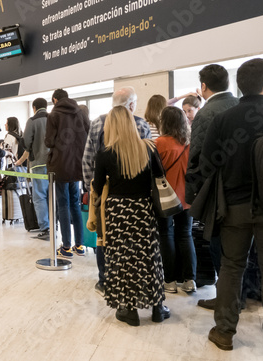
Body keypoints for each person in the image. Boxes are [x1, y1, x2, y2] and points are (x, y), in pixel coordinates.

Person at [201, 58, 263, 360]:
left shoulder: (224, 119)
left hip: (234, 207)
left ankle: (225, 332)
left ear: (239, 86)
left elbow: (207, 162)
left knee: (232, 267)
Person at [93, 105, 169, 326]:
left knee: (122, 259)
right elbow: (160, 176)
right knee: (150, 257)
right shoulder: (148, 148)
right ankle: (157, 308)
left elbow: (97, 187)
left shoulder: (105, 154)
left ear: (111, 127)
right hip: (144, 208)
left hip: (117, 212)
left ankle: (130, 310)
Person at [82, 86, 151, 296]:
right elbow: (149, 161)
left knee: (103, 237)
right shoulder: (141, 124)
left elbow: (87, 160)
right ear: (131, 105)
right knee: (134, 240)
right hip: (138, 195)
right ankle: (133, 279)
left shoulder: (97, 124)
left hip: (106, 195)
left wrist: (92, 191)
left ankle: (105, 280)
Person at [185, 64, 239, 310]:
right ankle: (241, 294)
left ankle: (225, 298)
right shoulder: (240, 105)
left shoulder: (206, 114)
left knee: (218, 244)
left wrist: (194, 196)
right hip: (248, 191)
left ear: (203, 87)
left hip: (217, 192)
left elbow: (196, 158)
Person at [155, 106, 196, 293]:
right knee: (186, 235)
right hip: (187, 197)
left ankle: (169, 281)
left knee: (166, 236)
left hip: (166, 198)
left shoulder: (159, 143)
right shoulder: (189, 142)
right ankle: (189, 280)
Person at [45, 89, 89, 258]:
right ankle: (80, 245)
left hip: (60, 165)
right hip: (78, 164)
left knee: (63, 205)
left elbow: (49, 141)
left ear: (55, 99)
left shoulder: (54, 114)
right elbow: (88, 133)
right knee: (75, 204)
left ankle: (67, 247)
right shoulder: (80, 111)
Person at [16, 98, 50, 239]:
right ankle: (54, 224)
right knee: (52, 195)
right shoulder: (54, 119)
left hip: (38, 163)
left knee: (39, 196)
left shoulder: (32, 121)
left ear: (34, 107)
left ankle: (45, 227)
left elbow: (26, 143)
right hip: (55, 163)